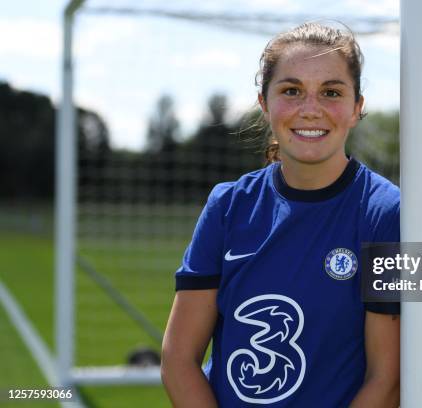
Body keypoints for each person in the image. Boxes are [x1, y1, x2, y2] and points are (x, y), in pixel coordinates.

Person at [161, 22, 400, 407]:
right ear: (264, 103)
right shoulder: (226, 205)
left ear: (357, 107)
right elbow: (178, 359)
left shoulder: (390, 213)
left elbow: (388, 380)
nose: (311, 109)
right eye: (291, 91)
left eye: (331, 92)